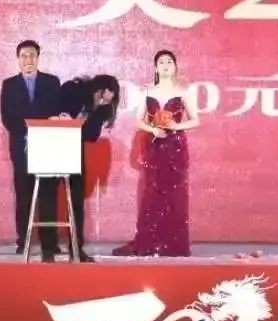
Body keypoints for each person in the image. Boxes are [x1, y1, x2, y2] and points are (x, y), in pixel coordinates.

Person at [114, 49, 198, 257]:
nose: (166, 65)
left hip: (176, 147)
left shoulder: (183, 92)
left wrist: (175, 126)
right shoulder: (148, 92)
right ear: (156, 68)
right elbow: (139, 120)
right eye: (162, 62)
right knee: (152, 193)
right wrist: (153, 129)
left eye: (169, 62)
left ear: (175, 67)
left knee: (175, 194)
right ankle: (150, 242)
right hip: (155, 147)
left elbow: (196, 120)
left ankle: (174, 244)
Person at [0, 39, 63, 258]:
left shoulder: (52, 82)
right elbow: (7, 117)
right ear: (18, 59)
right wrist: (29, 131)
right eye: (24, 56)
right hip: (21, 147)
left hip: (47, 146)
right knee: (24, 195)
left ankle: (50, 242)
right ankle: (23, 240)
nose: (28, 60)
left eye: (32, 55)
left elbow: (56, 111)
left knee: (48, 194)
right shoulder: (9, 85)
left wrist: (42, 130)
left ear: (38, 58)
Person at [55, 74, 119, 263]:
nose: (102, 101)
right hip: (51, 145)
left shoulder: (102, 109)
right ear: (97, 89)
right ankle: (48, 247)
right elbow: (57, 115)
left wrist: (98, 110)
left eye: (107, 100)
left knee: (77, 200)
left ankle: (76, 248)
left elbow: (91, 135)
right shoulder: (72, 89)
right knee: (47, 195)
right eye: (100, 96)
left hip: (74, 150)